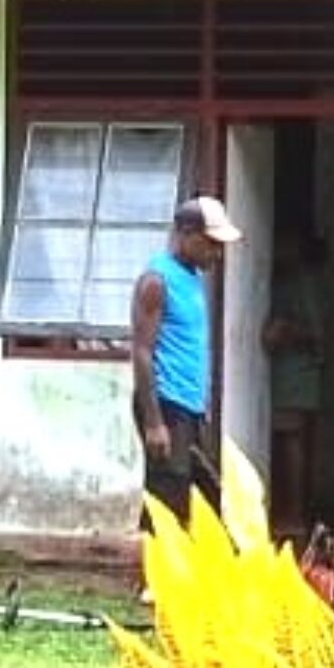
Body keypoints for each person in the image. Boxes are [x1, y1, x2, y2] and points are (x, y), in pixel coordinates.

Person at [129, 194, 237, 533]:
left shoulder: (191, 278)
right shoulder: (157, 281)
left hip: (189, 406)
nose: (217, 253)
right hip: (166, 404)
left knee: (202, 497)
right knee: (166, 501)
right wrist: (154, 422)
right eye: (211, 244)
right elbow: (142, 351)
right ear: (186, 234)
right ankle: (151, 566)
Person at [265, 228, 327, 536]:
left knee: (291, 441)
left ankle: (293, 515)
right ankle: (292, 512)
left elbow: (316, 333)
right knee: (291, 441)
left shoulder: (299, 283)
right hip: (292, 373)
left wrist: (283, 332)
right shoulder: (291, 281)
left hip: (294, 374)